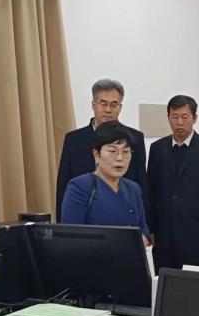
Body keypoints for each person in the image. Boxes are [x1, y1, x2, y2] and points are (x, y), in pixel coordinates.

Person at [145, 95, 199, 273]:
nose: (179, 122)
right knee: (164, 279)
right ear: (168, 118)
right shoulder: (157, 148)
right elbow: (151, 191)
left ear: (195, 118)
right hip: (163, 232)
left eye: (185, 117)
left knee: (192, 282)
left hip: (196, 233)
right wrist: (150, 228)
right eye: (175, 117)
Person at [56, 79, 146, 220]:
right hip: (84, 212)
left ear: (120, 107)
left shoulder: (135, 137)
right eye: (103, 104)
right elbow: (64, 182)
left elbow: (141, 181)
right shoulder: (74, 139)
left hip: (123, 211)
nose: (108, 110)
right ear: (94, 105)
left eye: (114, 104)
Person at [61, 121, 150, 238]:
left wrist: (143, 238)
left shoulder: (134, 189)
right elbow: (71, 237)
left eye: (125, 152)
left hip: (130, 251)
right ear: (96, 154)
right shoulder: (80, 187)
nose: (120, 158)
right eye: (112, 151)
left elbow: (143, 229)